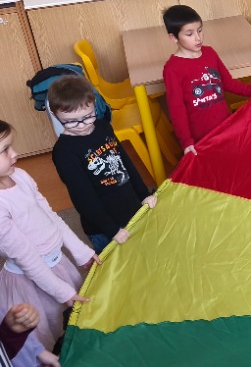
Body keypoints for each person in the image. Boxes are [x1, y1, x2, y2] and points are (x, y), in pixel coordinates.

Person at [0, 120, 96, 354]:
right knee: (44, 335)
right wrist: (62, 291)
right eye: (4, 150)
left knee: (73, 322)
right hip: (30, 282)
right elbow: (27, 258)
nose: (15, 154)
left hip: (58, 265)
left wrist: (81, 251)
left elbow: (50, 216)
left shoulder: (21, 176)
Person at [48, 76, 157, 255]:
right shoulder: (63, 152)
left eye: (87, 116)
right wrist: (111, 229)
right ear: (54, 114)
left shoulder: (103, 127)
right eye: (72, 121)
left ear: (93, 103)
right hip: (104, 228)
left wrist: (143, 194)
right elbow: (83, 197)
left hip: (131, 208)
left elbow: (125, 163)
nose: (81, 125)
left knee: (145, 254)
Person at [162, 5, 251, 155]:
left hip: (225, 126)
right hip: (201, 137)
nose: (198, 38)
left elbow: (228, 83)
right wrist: (186, 141)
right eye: (189, 34)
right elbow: (177, 109)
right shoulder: (172, 69)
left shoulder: (209, 53)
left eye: (199, 30)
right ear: (173, 38)